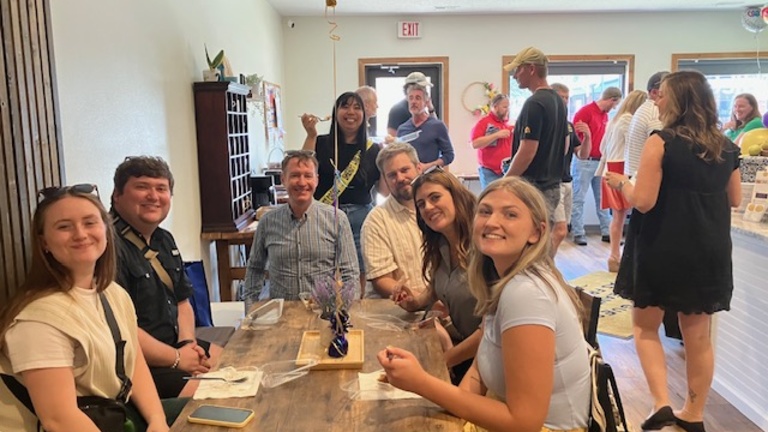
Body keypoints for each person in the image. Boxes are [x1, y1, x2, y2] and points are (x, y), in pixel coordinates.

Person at [378, 177, 590, 432]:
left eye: (510, 214)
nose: (492, 222)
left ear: (537, 232)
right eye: (485, 211)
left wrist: (422, 382)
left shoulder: (526, 293)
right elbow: (479, 371)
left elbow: (525, 423)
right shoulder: (502, 280)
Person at [605, 70, 741, 432]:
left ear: (677, 101)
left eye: (662, 95)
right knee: (697, 336)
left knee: (645, 328)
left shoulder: (661, 141)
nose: (657, 99)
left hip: (662, 244)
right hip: (709, 248)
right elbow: (736, 199)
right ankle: (694, 414)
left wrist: (622, 182)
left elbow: (644, 201)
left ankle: (661, 403)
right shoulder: (727, 147)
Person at [0, 184, 170, 431]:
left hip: (113, 414)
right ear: (44, 242)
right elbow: (59, 420)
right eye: (64, 227)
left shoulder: (113, 293)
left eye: (90, 223)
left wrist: (158, 421)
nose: (80, 234)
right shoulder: (38, 320)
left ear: (106, 230)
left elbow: (134, 363)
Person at [111, 156, 221, 399]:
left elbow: (183, 302)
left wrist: (186, 344)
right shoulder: (108, 247)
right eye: (142, 187)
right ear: (117, 195)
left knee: (243, 365)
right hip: (140, 364)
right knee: (226, 393)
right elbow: (122, 328)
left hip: (176, 346)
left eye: (161, 189)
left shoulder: (164, 239)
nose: (153, 196)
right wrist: (178, 359)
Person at [391, 167, 482, 384]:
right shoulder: (441, 244)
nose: (428, 207)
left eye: (435, 197)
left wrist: (444, 360)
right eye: (421, 204)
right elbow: (436, 288)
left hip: (488, 363)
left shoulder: (483, 247)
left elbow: (493, 330)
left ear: (456, 196)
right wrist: (413, 302)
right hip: (463, 354)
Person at [243, 150, 360, 305]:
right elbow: (254, 269)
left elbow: (351, 274)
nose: (302, 182)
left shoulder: (337, 219)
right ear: (283, 179)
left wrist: (343, 313)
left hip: (324, 314)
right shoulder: (267, 222)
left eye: (308, 175)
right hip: (281, 315)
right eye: (295, 175)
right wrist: (250, 311)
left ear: (317, 180)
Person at [301, 92, 382, 290]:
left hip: (360, 218)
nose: (351, 112)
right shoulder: (319, 142)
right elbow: (304, 167)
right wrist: (310, 134)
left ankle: (355, 311)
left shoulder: (373, 149)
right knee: (321, 268)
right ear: (336, 112)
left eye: (357, 107)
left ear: (365, 114)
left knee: (358, 270)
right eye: (345, 106)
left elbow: (384, 189)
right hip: (324, 215)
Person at [503, 46, 568, 223]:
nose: (515, 75)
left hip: (535, 190)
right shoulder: (559, 101)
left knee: (528, 245)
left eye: (518, 69)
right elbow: (565, 145)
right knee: (540, 242)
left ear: (531, 69)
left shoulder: (535, 103)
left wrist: (504, 182)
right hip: (552, 187)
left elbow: (527, 151)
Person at [361, 143, 427, 299]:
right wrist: (424, 302)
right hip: (394, 313)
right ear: (384, 179)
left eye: (405, 170)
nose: (400, 178)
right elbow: (382, 281)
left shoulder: (434, 211)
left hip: (438, 309)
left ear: (418, 168)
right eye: (392, 175)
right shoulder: (376, 221)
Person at [596, 90, 648, 272]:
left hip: (609, 168)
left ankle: (614, 255)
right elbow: (636, 146)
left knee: (617, 217)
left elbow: (602, 147)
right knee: (632, 213)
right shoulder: (629, 121)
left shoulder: (614, 120)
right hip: (622, 168)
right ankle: (623, 257)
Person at [570, 87, 623, 246]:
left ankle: (607, 231)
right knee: (579, 198)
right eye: (615, 104)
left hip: (600, 161)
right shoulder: (585, 112)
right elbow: (577, 140)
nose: (614, 108)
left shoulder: (605, 116)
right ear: (611, 99)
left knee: (603, 199)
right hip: (584, 162)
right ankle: (578, 232)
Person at [550, 83, 590, 256]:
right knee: (557, 229)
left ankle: (548, 262)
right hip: (552, 183)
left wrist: (588, 136)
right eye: (561, 97)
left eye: (567, 98)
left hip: (567, 181)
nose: (565, 101)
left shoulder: (568, 126)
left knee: (562, 228)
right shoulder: (546, 124)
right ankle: (544, 265)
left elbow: (582, 154)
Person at [396, 84, 455, 170]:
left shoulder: (437, 126)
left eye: (418, 98)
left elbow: (449, 155)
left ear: (426, 102)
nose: (413, 102)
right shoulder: (402, 129)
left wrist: (428, 166)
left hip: (431, 178)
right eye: (411, 98)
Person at [624, 71, 669, 179]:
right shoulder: (655, 112)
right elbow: (661, 150)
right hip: (644, 178)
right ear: (654, 92)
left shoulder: (644, 109)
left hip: (635, 175)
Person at [471, 94, 513, 190]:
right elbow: (474, 143)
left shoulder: (508, 124)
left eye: (508, 107)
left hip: (507, 170)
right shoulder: (483, 123)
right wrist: (496, 135)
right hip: (490, 171)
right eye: (504, 107)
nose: (507, 110)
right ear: (495, 107)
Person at [387, 72, 436, 137]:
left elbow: (435, 128)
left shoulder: (421, 109)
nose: (424, 89)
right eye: (422, 87)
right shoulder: (397, 110)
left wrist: (430, 108)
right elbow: (393, 140)